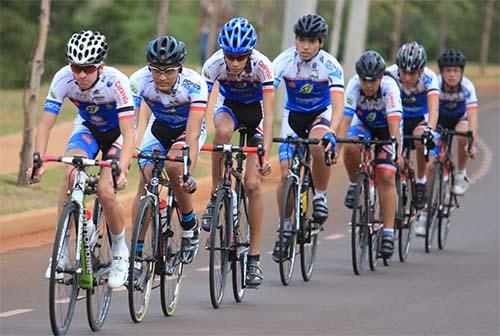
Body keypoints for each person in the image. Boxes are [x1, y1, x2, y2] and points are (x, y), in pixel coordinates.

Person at [29, 30, 135, 288]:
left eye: (87, 69)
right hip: (87, 130)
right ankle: (64, 247)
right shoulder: (63, 79)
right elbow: (45, 126)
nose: (81, 75)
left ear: (100, 66)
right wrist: (38, 160)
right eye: (76, 68)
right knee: (70, 173)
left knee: (105, 191)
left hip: (117, 136)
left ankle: (121, 251)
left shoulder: (116, 82)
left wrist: (121, 169)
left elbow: (129, 132)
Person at [201, 17, 274, 287]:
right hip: (229, 107)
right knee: (220, 133)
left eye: (240, 57)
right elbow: (202, 106)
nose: (233, 63)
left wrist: (264, 151)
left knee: (253, 184)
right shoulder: (213, 65)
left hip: (257, 113)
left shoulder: (263, 66)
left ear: (250, 53)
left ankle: (253, 259)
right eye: (229, 56)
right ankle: (216, 191)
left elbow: (270, 110)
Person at [271, 13, 344, 262]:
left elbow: (338, 104)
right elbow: (266, 94)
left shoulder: (330, 65)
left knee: (317, 145)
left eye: (311, 41)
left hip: (319, 116)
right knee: (284, 174)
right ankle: (286, 225)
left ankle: (320, 196)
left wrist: (332, 131)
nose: (305, 46)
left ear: (320, 43)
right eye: (301, 40)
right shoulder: (283, 60)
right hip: (293, 117)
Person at [130, 36, 207, 265]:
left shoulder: (194, 85)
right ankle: (135, 251)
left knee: (174, 165)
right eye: (156, 70)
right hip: (160, 127)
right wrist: (129, 152)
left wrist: (188, 171)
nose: (162, 77)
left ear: (180, 69)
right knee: (145, 175)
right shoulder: (139, 80)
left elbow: (193, 134)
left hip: (186, 129)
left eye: (169, 71)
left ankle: (188, 223)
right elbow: (131, 124)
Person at [337, 51, 403, 258]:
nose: (368, 85)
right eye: (364, 80)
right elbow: (345, 120)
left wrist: (396, 152)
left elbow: (394, 125)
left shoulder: (390, 88)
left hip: (386, 128)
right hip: (363, 124)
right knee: (350, 146)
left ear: (380, 78)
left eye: (372, 80)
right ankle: (354, 184)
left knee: (386, 175)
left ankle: (389, 233)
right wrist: (336, 150)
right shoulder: (354, 85)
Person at [386, 41, 439, 236]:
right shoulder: (389, 74)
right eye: (404, 72)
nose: (407, 78)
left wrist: (430, 130)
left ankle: (420, 180)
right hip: (396, 118)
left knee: (420, 138)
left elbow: (433, 108)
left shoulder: (430, 78)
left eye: (412, 73)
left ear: (421, 70)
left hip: (419, 119)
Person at [435, 49, 478, 195]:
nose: (452, 74)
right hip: (439, 120)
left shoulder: (467, 86)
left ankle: (461, 173)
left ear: (462, 72)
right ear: (442, 72)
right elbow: (429, 110)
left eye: (456, 70)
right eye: (448, 70)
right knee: (432, 160)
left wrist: (471, 143)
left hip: (460, 120)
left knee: (463, 134)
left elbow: (472, 117)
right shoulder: (436, 83)